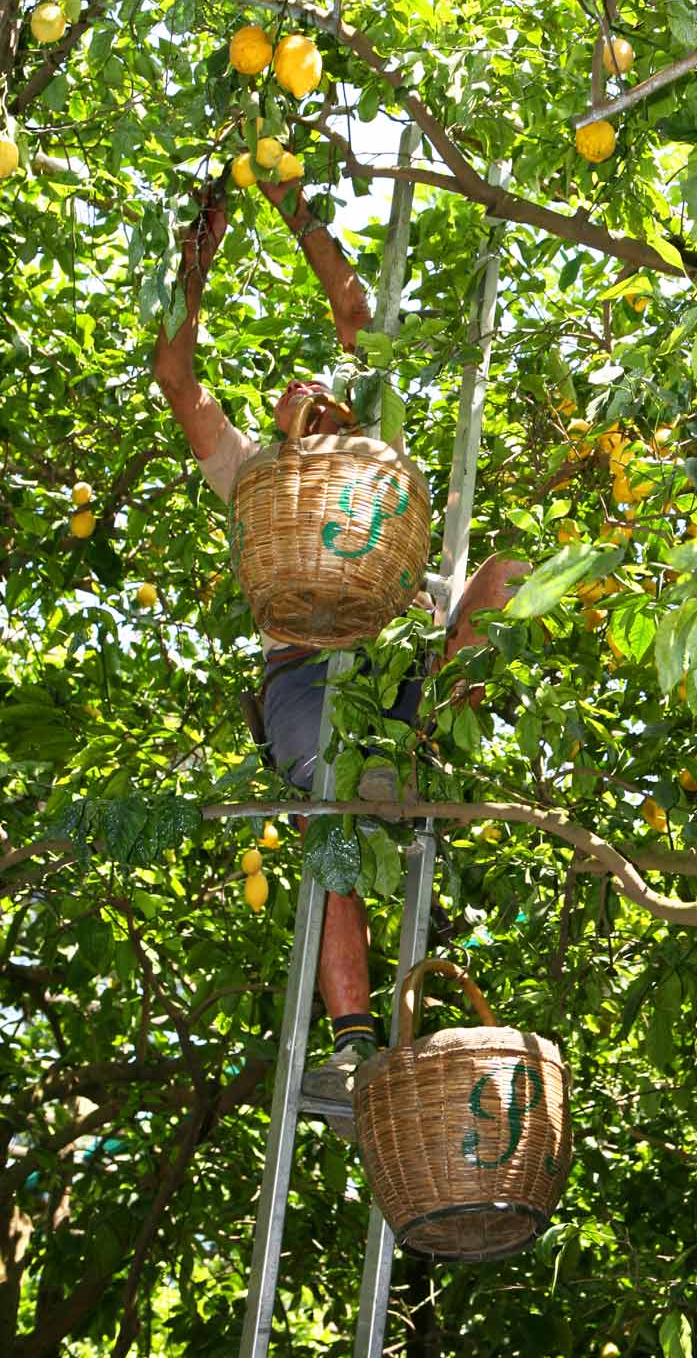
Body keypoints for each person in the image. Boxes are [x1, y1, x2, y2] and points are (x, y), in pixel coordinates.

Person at [153, 171, 524, 1130]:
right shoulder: (256, 475)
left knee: (511, 573)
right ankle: (355, 1035)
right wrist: (191, 268)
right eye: (302, 403)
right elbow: (178, 382)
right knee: (335, 819)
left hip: (405, 671)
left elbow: (357, 313)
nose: (316, 403)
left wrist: (295, 205)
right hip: (308, 680)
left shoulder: (384, 460)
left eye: (328, 399)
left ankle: (422, 748)